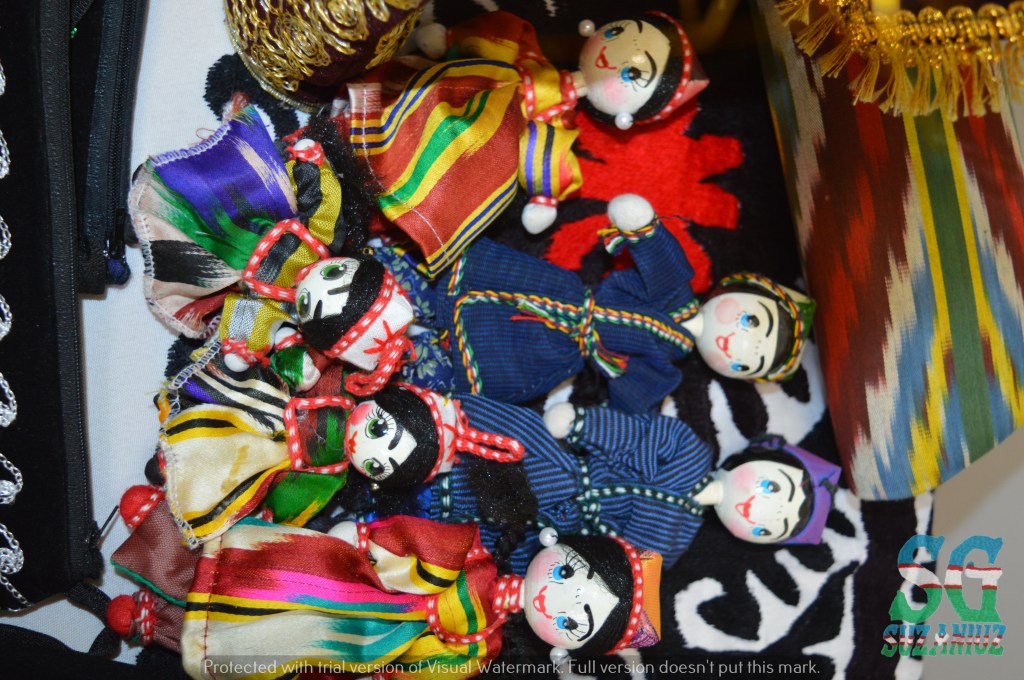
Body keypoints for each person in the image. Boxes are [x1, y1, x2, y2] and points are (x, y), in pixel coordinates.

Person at [347, 10, 707, 276]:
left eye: (632, 74)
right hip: (463, 87)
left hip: (484, 146)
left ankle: (378, 201)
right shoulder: (527, 55)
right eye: (617, 34)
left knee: (453, 176)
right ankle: (358, 129)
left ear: (627, 117)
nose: (610, 58)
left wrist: (545, 196)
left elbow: (548, 157)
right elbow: (497, 35)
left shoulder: (555, 125)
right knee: (422, 98)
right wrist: (451, 40)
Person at [432, 193, 815, 413]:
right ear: (738, 289)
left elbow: (631, 401)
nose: (738, 344)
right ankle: (426, 289)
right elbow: (666, 264)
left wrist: (591, 423)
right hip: (565, 297)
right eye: (751, 323)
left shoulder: (665, 370)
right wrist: (645, 230)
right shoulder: (674, 292)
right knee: (492, 278)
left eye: (746, 362)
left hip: (560, 353)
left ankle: (429, 364)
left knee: (493, 365)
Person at [179, 517, 662, 679]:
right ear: (554, 543)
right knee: (289, 577)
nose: (552, 601)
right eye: (564, 572)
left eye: (572, 623)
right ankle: (205, 583)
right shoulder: (473, 556)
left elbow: (430, 670)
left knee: (300, 647)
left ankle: (189, 633)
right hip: (366, 585)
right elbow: (419, 542)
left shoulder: (481, 649)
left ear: (564, 649)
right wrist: (367, 537)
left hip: (367, 649)